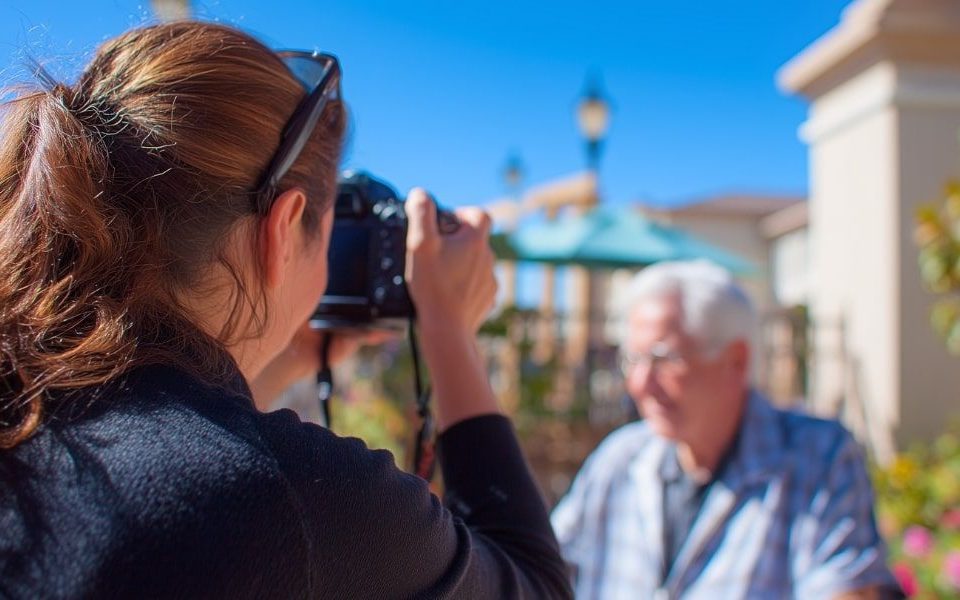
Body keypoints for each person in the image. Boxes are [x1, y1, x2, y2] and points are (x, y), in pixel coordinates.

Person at [0, 21, 571, 599]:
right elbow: (539, 586)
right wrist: (449, 328)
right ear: (284, 226)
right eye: (327, 234)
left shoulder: (25, 399)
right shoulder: (297, 495)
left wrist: (275, 353)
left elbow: (169, 423)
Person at [551, 260, 902, 599]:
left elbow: (844, 585)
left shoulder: (816, 457)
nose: (640, 383)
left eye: (664, 359)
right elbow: (545, 569)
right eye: (633, 360)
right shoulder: (619, 459)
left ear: (736, 361)